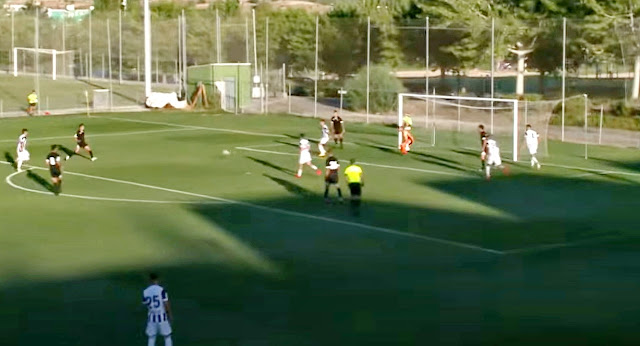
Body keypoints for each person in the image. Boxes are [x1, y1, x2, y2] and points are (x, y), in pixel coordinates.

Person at [142, 273, 173, 346]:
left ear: (149, 280)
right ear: (157, 280)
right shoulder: (161, 290)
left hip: (151, 317)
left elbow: (145, 303)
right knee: (167, 336)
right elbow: (166, 303)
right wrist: (169, 314)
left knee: (151, 337)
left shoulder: (145, 291)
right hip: (162, 317)